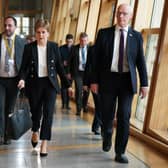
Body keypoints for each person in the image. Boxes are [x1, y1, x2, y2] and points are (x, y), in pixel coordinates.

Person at [90, 4, 148, 163]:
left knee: (124, 115)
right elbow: (96, 60)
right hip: (108, 79)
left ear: (131, 16)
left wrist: (144, 83)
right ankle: (107, 134)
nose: (121, 17)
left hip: (127, 81)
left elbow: (140, 61)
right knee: (107, 114)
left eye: (125, 14)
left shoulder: (136, 36)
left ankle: (120, 152)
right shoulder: (104, 34)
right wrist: (93, 80)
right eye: (119, 13)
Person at [17, 19, 72, 157]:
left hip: (50, 85)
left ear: (48, 33)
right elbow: (23, 67)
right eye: (38, 32)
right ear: (35, 33)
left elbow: (59, 67)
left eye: (43, 32)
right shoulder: (29, 48)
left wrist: (68, 85)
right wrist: (22, 79)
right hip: (34, 84)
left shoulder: (54, 47)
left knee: (48, 113)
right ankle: (35, 129)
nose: (40, 35)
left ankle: (44, 143)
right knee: (36, 112)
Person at [0, 16, 26, 145]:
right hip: (0, 80)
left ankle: (7, 134)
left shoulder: (21, 42)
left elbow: (24, 64)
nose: (6, 28)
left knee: (9, 109)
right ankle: (0, 134)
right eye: (5, 25)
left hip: (14, 80)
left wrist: (22, 79)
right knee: (0, 107)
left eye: (9, 25)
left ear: (15, 27)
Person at [68, 32, 90, 115]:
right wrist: (69, 72)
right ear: (79, 40)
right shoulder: (74, 48)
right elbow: (69, 61)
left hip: (87, 74)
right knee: (79, 89)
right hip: (77, 73)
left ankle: (84, 106)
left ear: (87, 40)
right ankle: (78, 108)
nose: (83, 42)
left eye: (85, 41)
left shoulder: (90, 49)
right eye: (82, 40)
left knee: (86, 91)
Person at [83, 45, 102, 135]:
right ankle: (97, 127)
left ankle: (97, 126)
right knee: (99, 104)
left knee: (103, 106)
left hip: (107, 83)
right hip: (94, 82)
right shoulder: (93, 49)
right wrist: (86, 83)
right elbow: (88, 66)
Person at [59, 34, 74, 110]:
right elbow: (58, 60)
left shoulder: (74, 48)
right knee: (63, 88)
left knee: (69, 87)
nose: (69, 43)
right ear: (65, 41)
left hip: (71, 71)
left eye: (70, 42)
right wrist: (62, 62)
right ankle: (63, 103)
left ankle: (67, 104)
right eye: (68, 42)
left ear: (73, 41)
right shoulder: (61, 48)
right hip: (63, 71)